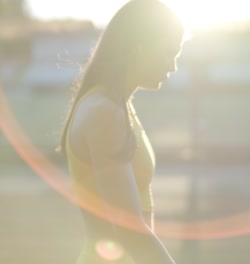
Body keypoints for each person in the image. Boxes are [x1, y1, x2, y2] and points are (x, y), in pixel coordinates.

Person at [58, 0, 185, 263]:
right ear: (139, 46)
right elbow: (129, 231)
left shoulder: (120, 106)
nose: (173, 67)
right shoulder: (104, 111)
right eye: (168, 53)